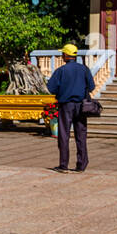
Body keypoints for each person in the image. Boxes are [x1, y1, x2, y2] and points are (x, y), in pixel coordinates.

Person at [45, 44, 94, 173]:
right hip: (81, 106)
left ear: (66, 55)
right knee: (81, 135)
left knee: (64, 135)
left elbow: (50, 88)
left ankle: (64, 165)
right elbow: (92, 86)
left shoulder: (61, 71)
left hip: (65, 105)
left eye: (63, 54)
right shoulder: (84, 69)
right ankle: (81, 165)